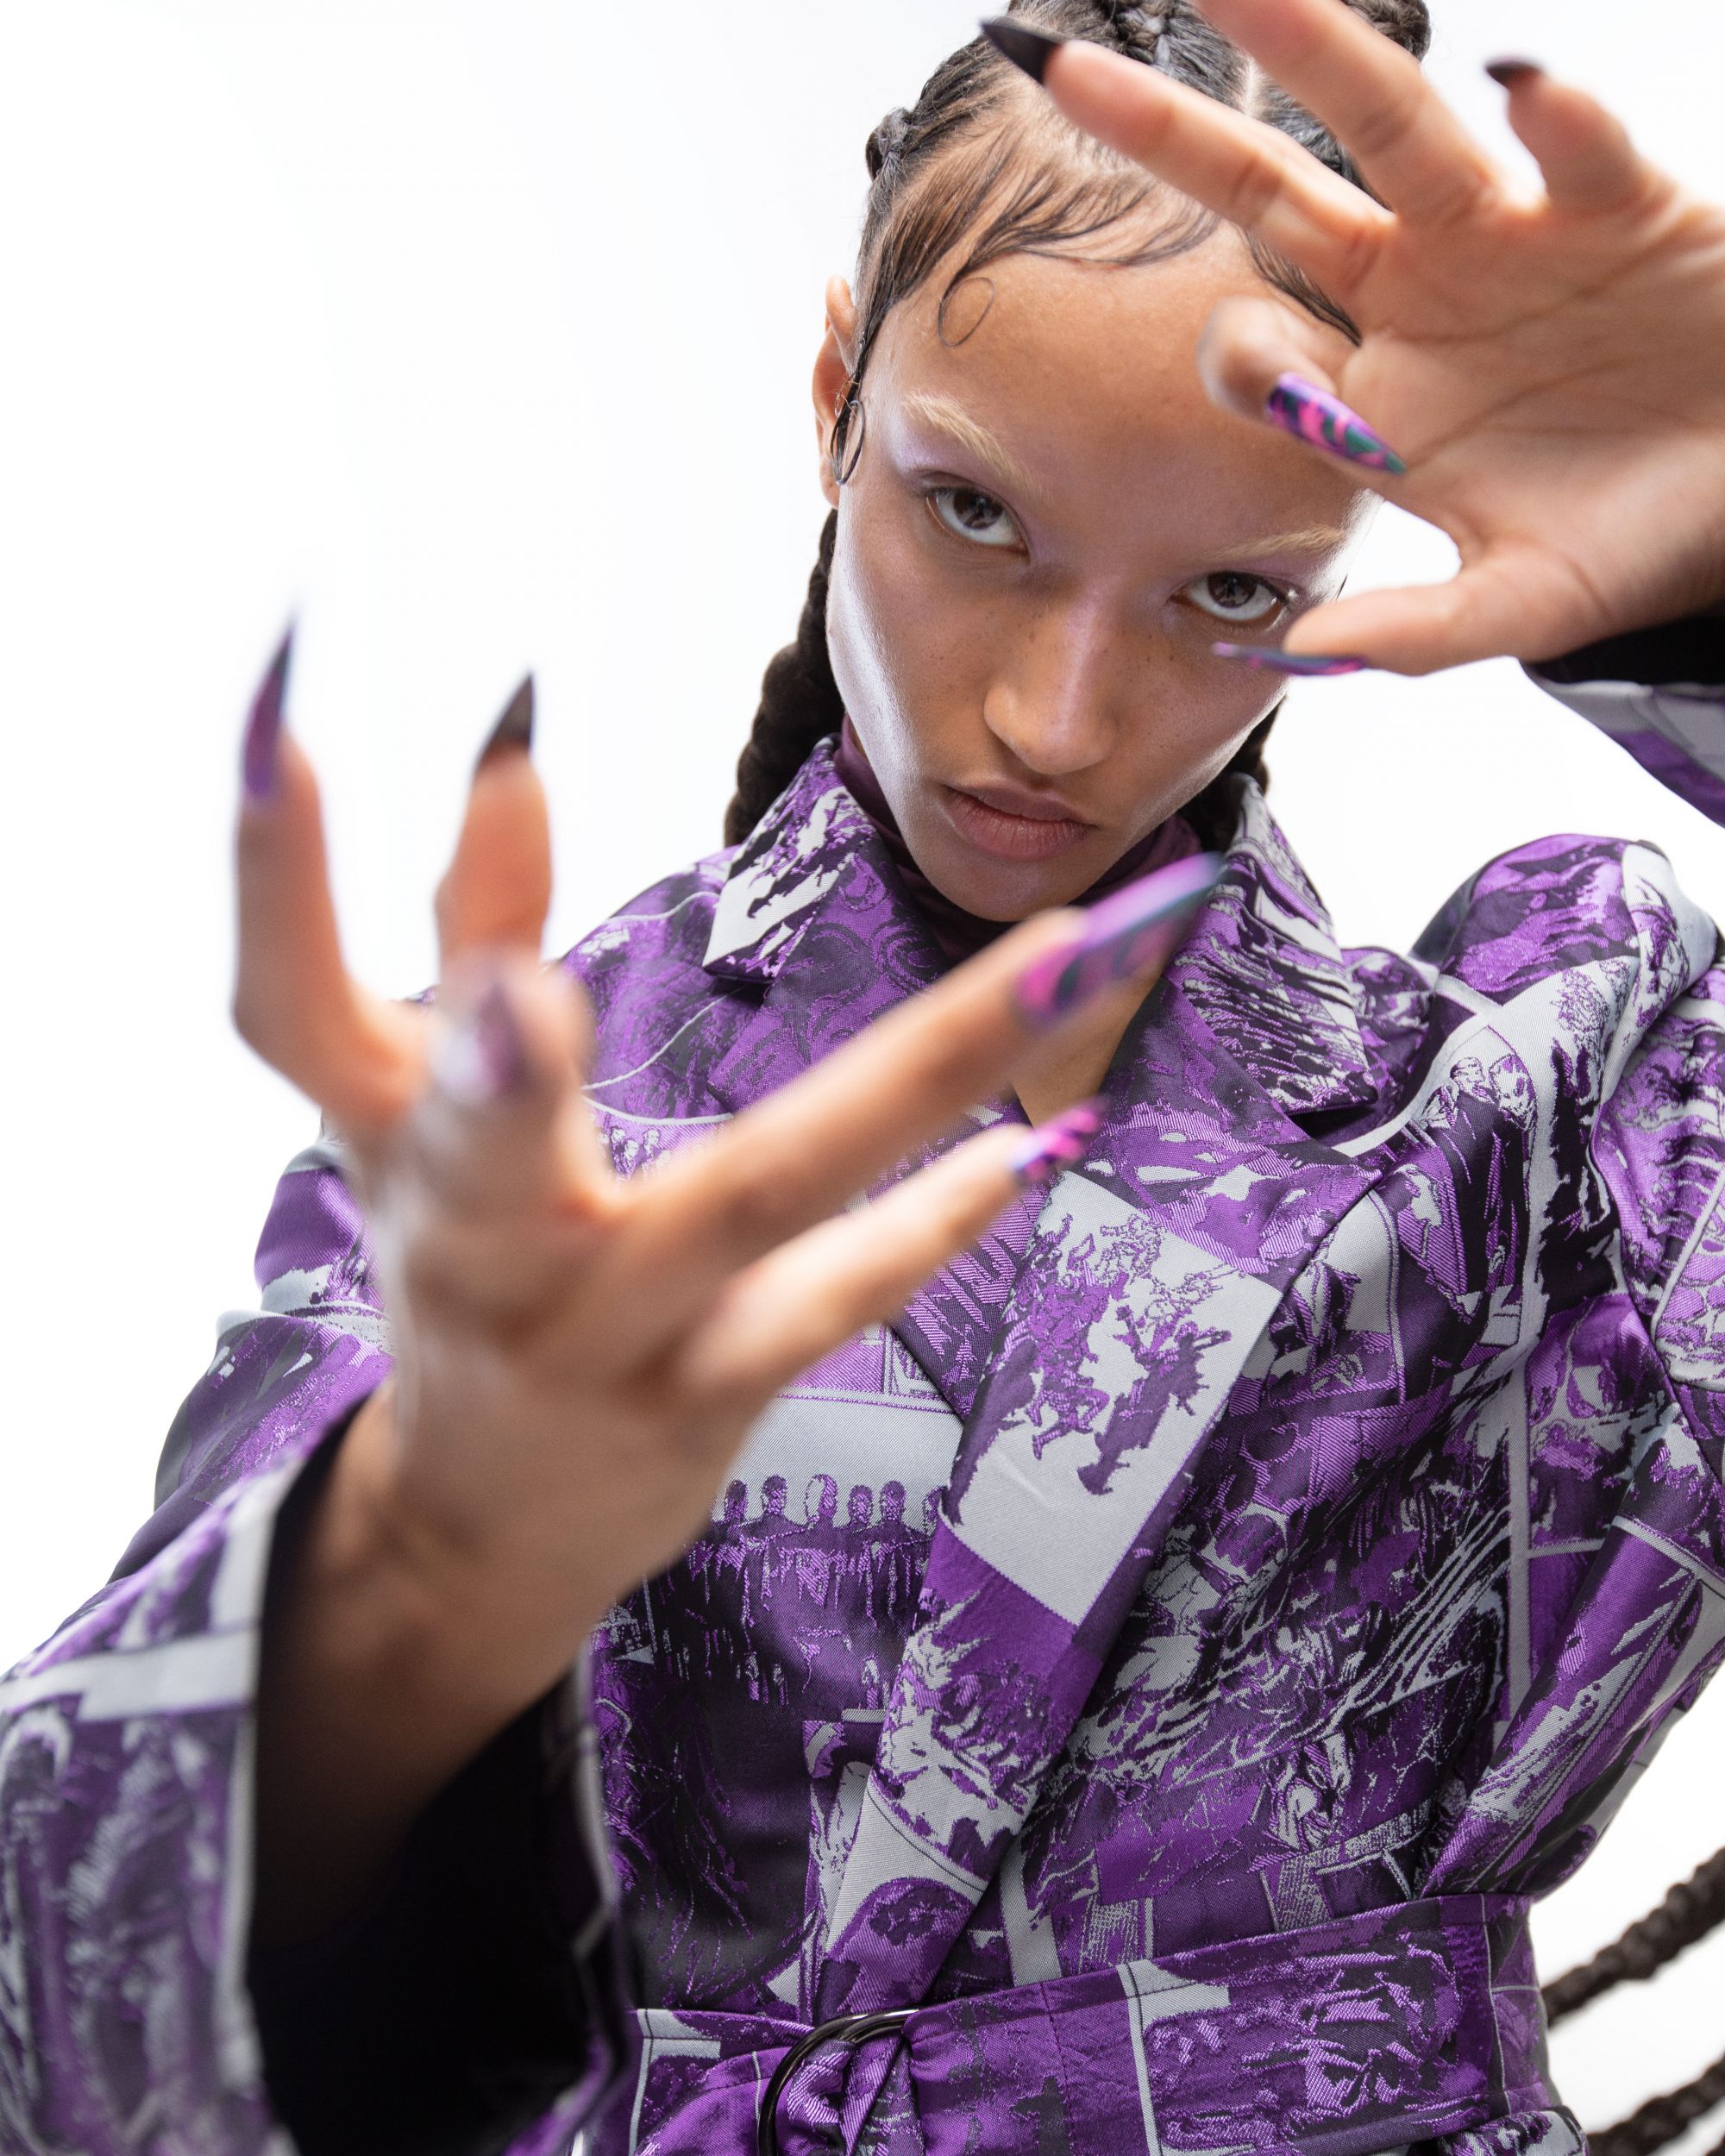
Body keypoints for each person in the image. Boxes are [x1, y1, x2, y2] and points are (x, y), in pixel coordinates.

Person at [4, 1, 1725, 2151]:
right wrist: (413, 1579)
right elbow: (50, 2005)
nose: (1058, 717)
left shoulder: (1557, 1109)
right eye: (973, 510)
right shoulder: (520, 1143)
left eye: (1228, 588)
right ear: (838, 396)